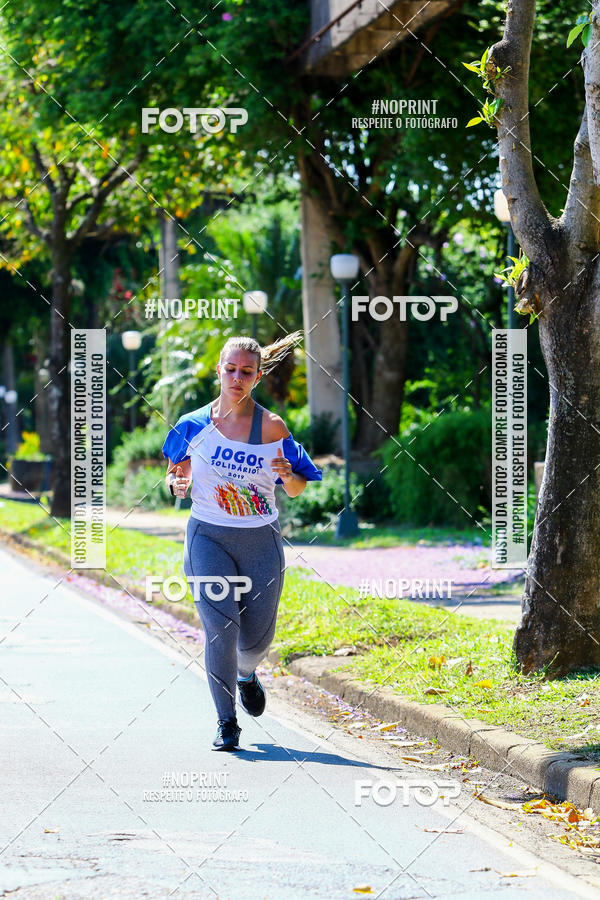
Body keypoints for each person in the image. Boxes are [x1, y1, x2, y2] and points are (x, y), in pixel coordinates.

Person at [161, 332, 323, 751]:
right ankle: (227, 721)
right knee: (221, 630)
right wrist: (177, 483)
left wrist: (288, 475)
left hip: (260, 540)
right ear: (219, 371)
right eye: (230, 370)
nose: (237, 378)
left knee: (255, 641)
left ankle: (246, 674)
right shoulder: (192, 425)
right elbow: (176, 472)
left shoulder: (272, 427)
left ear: (257, 377)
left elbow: (298, 488)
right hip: (207, 536)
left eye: (246, 372)